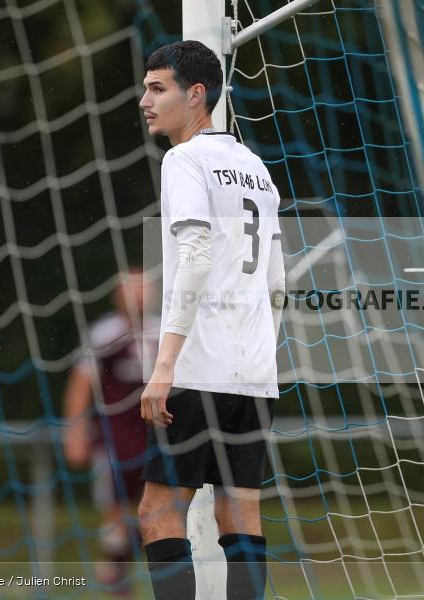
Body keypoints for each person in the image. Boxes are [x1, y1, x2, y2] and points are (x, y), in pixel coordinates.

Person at [136, 40, 285, 600]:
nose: (145, 100)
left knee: (158, 510)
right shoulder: (255, 167)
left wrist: (164, 364)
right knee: (240, 509)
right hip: (252, 368)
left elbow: (194, 255)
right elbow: (277, 280)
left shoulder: (185, 159)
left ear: (196, 94)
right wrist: (259, 354)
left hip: (198, 367)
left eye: (158, 89)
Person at [63, 268, 159, 594]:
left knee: (160, 510)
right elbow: (81, 383)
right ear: (117, 294)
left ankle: (163, 574)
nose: (138, 295)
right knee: (115, 510)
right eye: (131, 289)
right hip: (113, 438)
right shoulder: (103, 334)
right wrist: (74, 431)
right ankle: (117, 577)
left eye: (144, 288)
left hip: (158, 436)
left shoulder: (166, 330)